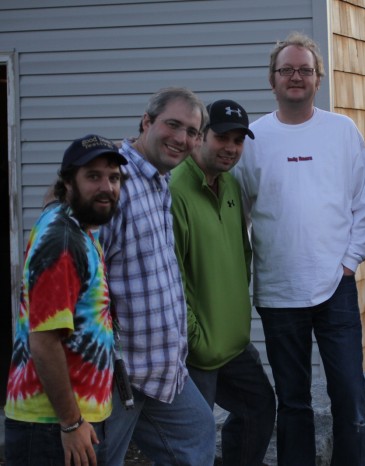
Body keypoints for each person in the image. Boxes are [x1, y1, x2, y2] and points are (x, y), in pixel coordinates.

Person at [235, 32, 365, 466]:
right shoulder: (252, 139)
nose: (296, 77)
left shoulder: (342, 131)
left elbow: (362, 205)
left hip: (336, 287)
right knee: (292, 402)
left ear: (319, 79)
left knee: (350, 398)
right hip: (279, 292)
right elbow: (236, 212)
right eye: (286, 70)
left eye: (305, 70)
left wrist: (350, 264)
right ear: (271, 80)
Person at [98, 87, 217, 465]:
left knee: (197, 433)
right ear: (146, 122)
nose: (182, 138)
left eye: (192, 131)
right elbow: (80, 279)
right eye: (172, 125)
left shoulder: (160, 180)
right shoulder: (114, 184)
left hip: (163, 369)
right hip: (117, 373)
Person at [4, 134, 127, 465]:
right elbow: (44, 341)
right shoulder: (63, 240)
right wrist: (71, 423)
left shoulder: (75, 223)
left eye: (113, 178)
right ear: (68, 182)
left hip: (68, 418)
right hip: (51, 424)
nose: (106, 187)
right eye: (93, 176)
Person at [170, 99, 276, 465]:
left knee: (259, 407)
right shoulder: (176, 190)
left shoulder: (230, 185)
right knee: (192, 444)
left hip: (233, 344)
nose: (231, 148)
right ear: (199, 136)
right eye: (221, 137)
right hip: (196, 351)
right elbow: (173, 278)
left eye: (238, 140)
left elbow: (242, 256)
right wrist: (195, 338)